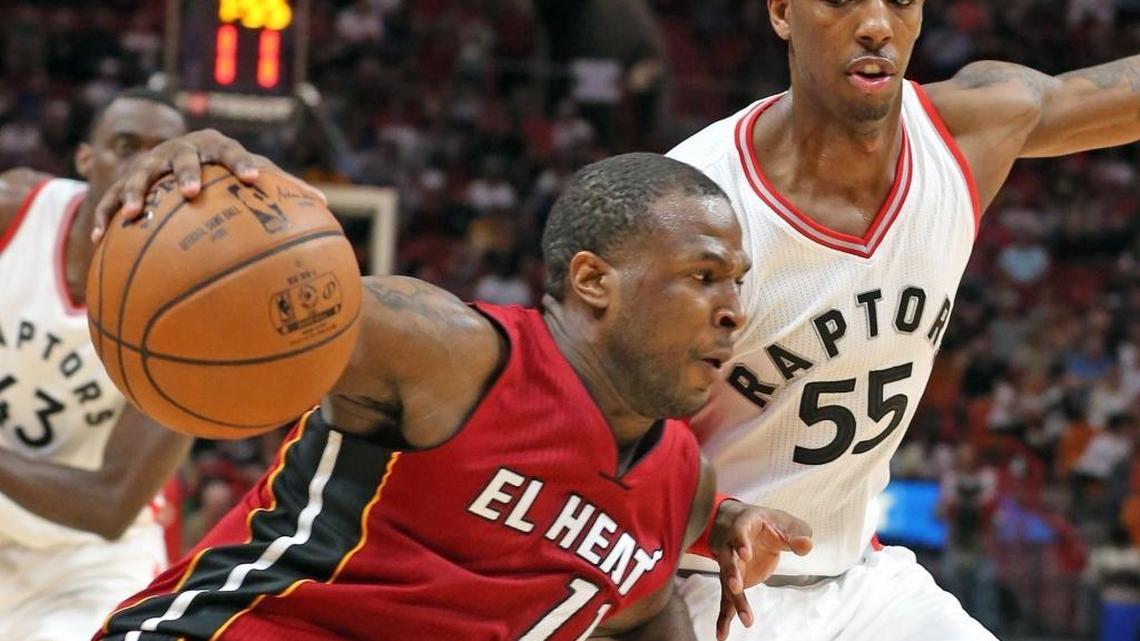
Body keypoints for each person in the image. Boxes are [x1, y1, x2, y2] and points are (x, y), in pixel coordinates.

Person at [94, 152, 812, 641]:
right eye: (703, 275)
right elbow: (261, 289)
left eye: (738, 282)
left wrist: (726, 517)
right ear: (594, 281)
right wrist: (205, 169)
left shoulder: (683, 483)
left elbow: (645, 607)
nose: (733, 310)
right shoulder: (443, 349)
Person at [660, 1, 1140, 639]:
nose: (876, 25)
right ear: (780, 11)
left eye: (901, 1)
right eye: (839, 0)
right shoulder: (690, 207)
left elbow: (1104, 98)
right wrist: (715, 520)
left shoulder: (965, 135)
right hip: (706, 583)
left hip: (865, 577)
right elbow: (600, 440)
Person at [0, 88, 193, 640]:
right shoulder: (16, 211)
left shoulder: (197, 312)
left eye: (164, 156)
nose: (143, 169)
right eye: (126, 146)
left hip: (87, 564)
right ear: (86, 158)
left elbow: (108, 504)